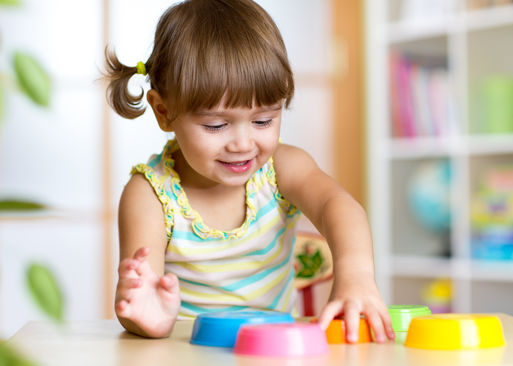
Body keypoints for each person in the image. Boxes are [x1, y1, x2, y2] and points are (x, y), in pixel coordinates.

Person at [105, 0, 394, 342]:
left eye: (262, 120)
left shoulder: (282, 168)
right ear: (163, 111)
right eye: (216, 125)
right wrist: (146, 318)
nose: (242, 143)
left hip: (276, 351)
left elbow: (340, 207)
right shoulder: (150, 194)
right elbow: (143, 301)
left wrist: (356, 273)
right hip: (188, 354)